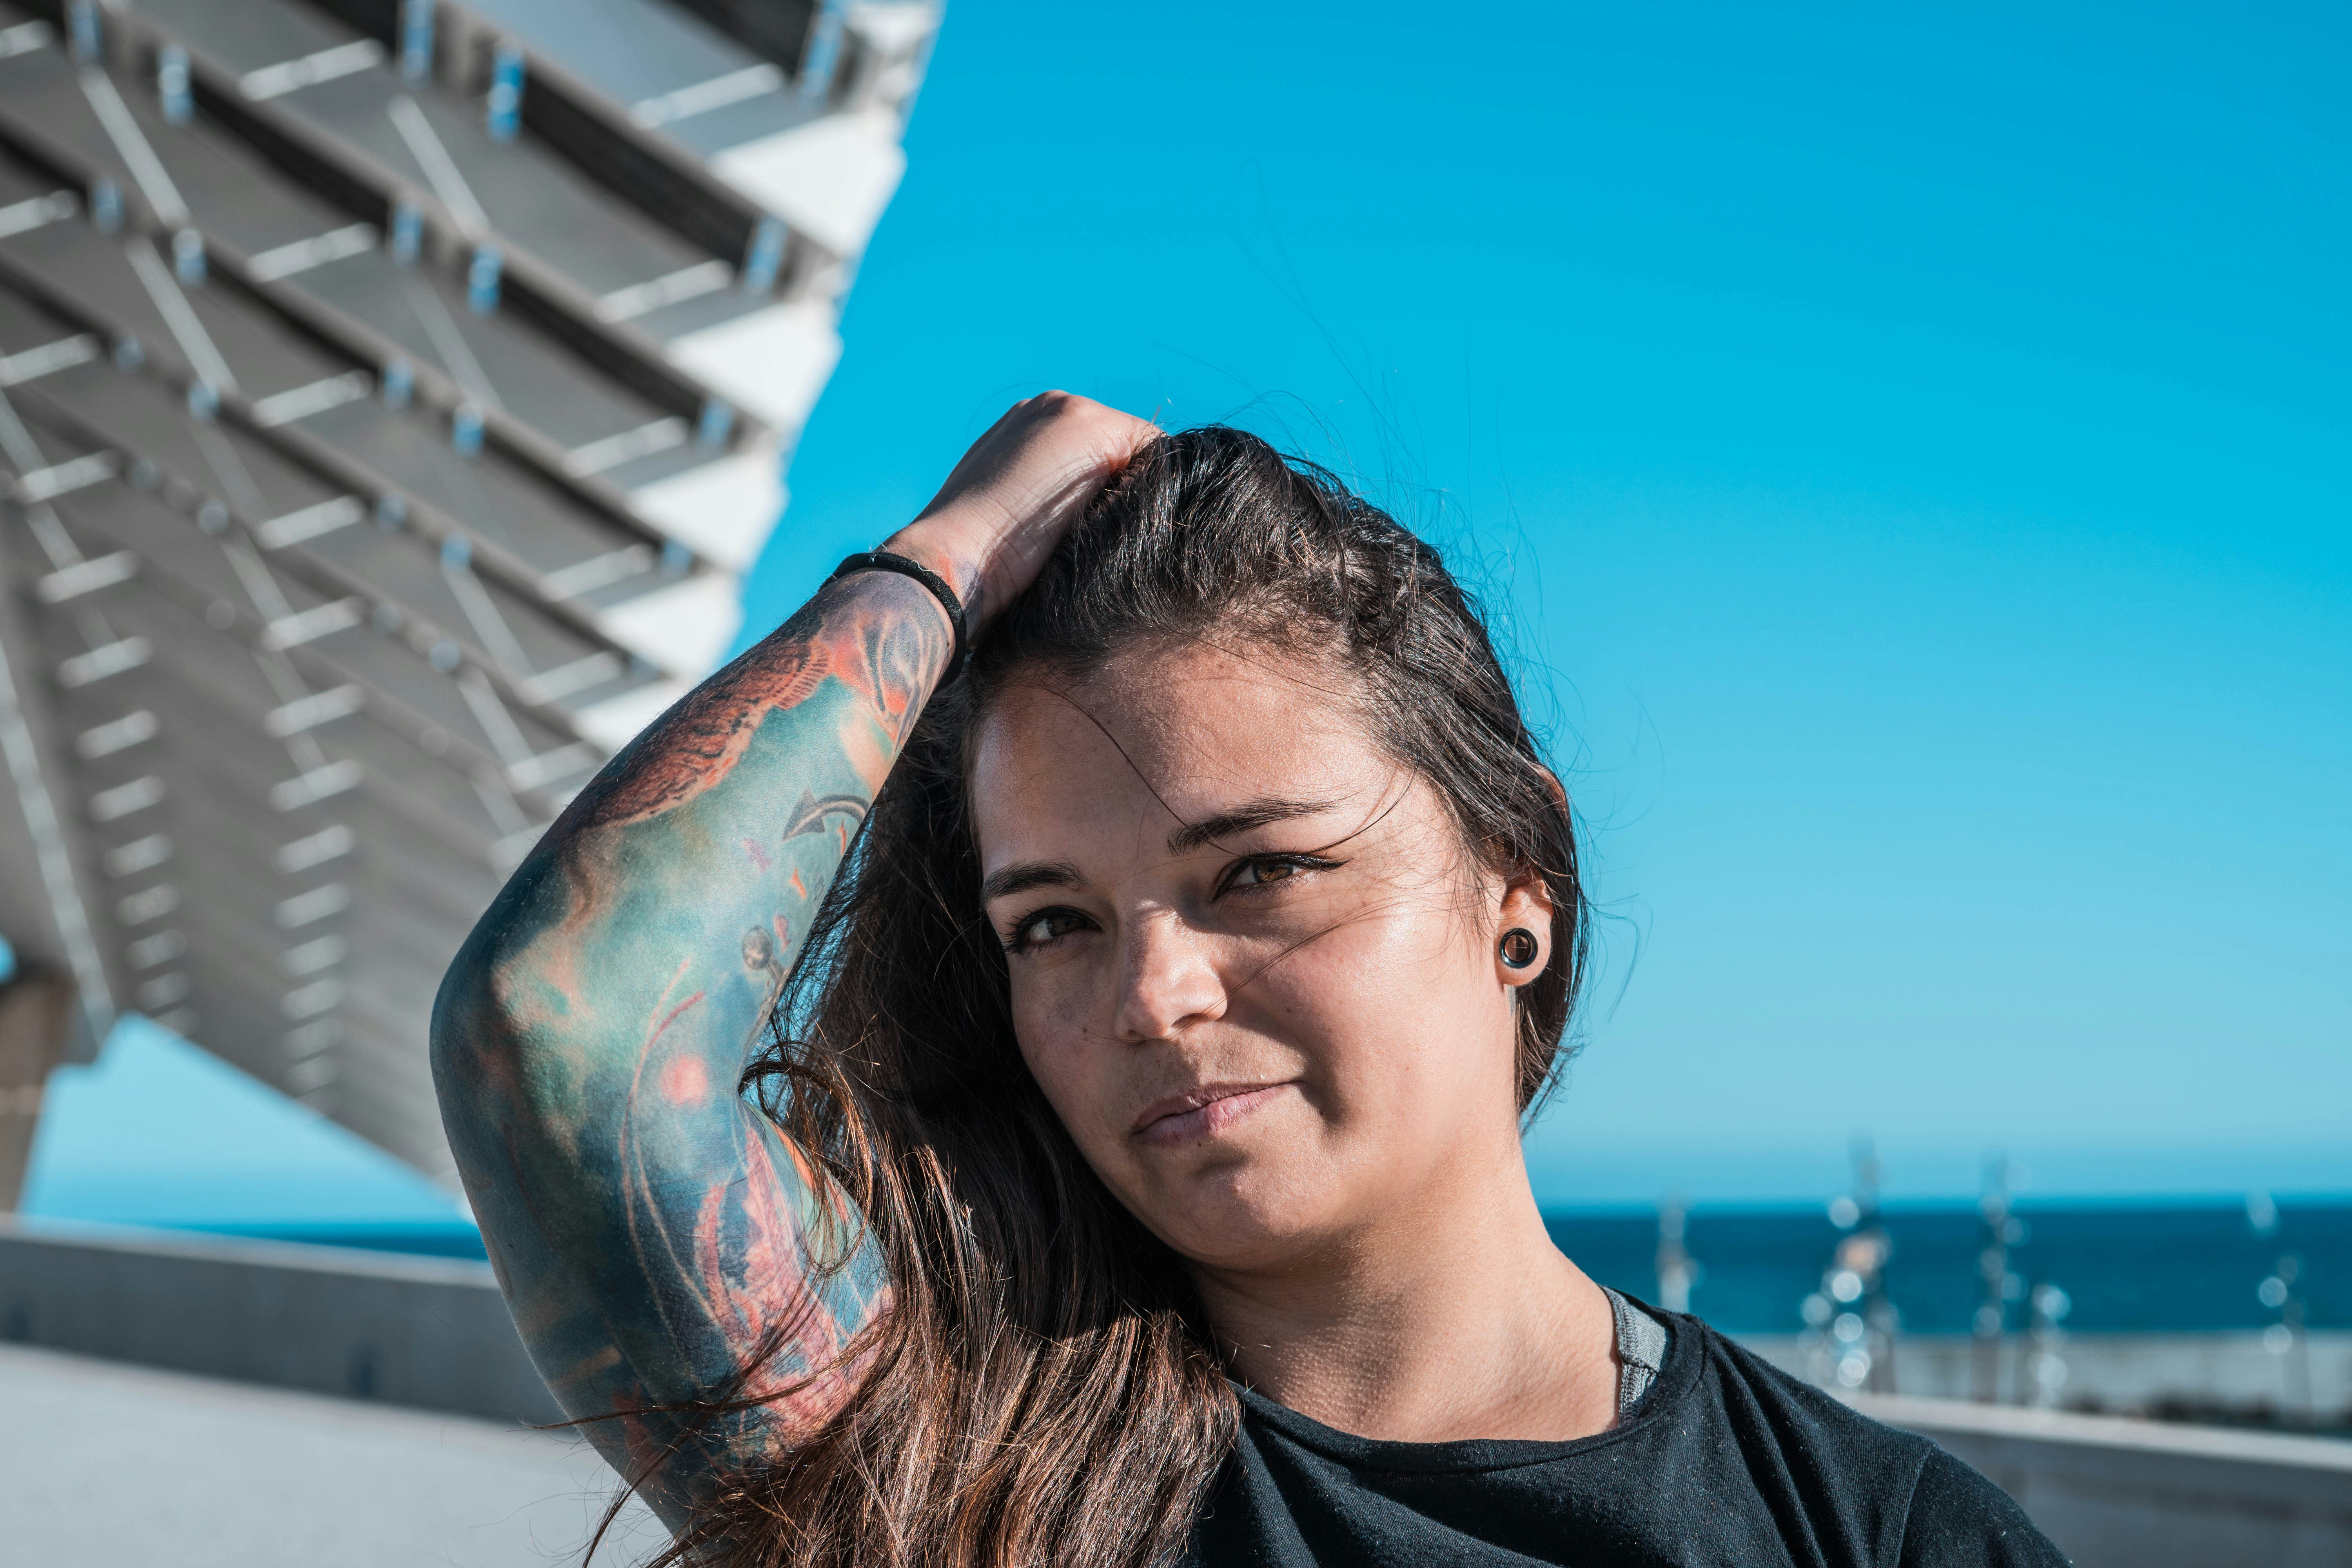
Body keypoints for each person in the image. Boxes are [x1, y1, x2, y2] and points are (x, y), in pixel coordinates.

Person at [432, 394, 2065, 1567]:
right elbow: (554, 1036)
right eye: (1052, 921)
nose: (1155, 994)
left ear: (1525, 888)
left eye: (1260, 874)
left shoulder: (1870, 1533)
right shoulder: (945, 1450)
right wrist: (950, 554)